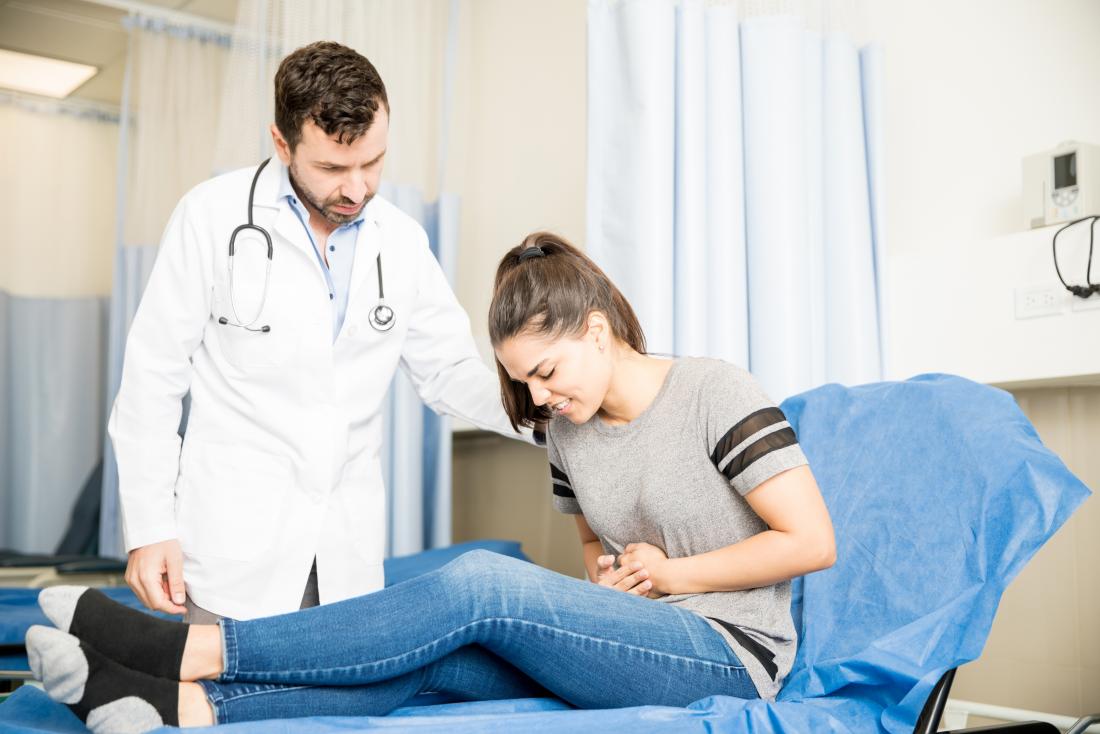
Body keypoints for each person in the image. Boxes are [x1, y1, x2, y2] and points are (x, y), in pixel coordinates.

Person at [28, 233, 836, 732]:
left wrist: (673, 574)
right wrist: (618, 575)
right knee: (437, 660)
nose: (541, 400)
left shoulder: (714, 391)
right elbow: (598, 557)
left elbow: (812, 542)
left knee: (484, 584)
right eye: (525, 385)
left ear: (597, 329)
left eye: (548, 373)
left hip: (730, 651)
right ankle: (186, 708)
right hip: (631, 638)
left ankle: (191, 649)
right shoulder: (564, 429)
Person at [109, 41, 534, 625]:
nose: (357, 190)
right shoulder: (210, 217)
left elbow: (449, 374)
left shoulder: (401, 241)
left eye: (373, 162)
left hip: (344, 545)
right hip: (234, 541)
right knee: (221, 701)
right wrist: (151, 527)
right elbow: (152, 379)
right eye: (333, 168)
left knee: (329, 709)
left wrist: (545, 410)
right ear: (281, 143)